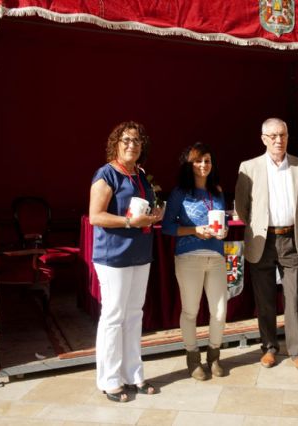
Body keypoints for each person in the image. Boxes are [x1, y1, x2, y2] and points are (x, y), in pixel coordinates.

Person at [89, 121, 164, 402]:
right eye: (126, 140)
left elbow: (142, 211)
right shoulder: (106, 174)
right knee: (113, 316)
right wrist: (131, 222)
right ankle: (110, 381)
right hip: (113, 256)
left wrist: (154, 214)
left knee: (134, 315)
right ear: (116, 144)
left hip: (140, 254)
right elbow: (96, 216)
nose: (131, 144)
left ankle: (134, 375)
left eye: (136, 140)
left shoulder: (140, 176)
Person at [234, 117, 298, 373]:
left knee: (294, 297)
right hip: (262, 241)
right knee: (265, 299)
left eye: (283, 135)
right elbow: (242, 208)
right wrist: (259, 225)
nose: (279, 140)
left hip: (291, 239)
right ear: (264, 139)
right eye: (273, 136)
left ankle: (297, 351)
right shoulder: (249, 167)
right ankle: (269, 347)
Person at [162, 143, 228, 380]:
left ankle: (214, 356)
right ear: (189, 165)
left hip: (217, 257)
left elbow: (221, 222)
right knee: (191, 311)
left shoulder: (217, 191)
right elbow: (167, 227)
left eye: (207, 160)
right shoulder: (180, 192)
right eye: (198, 161)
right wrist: (194, 230)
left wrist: (223, 232)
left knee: (220, 312)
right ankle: (192, 358)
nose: (203, 165)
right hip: (189, 258)